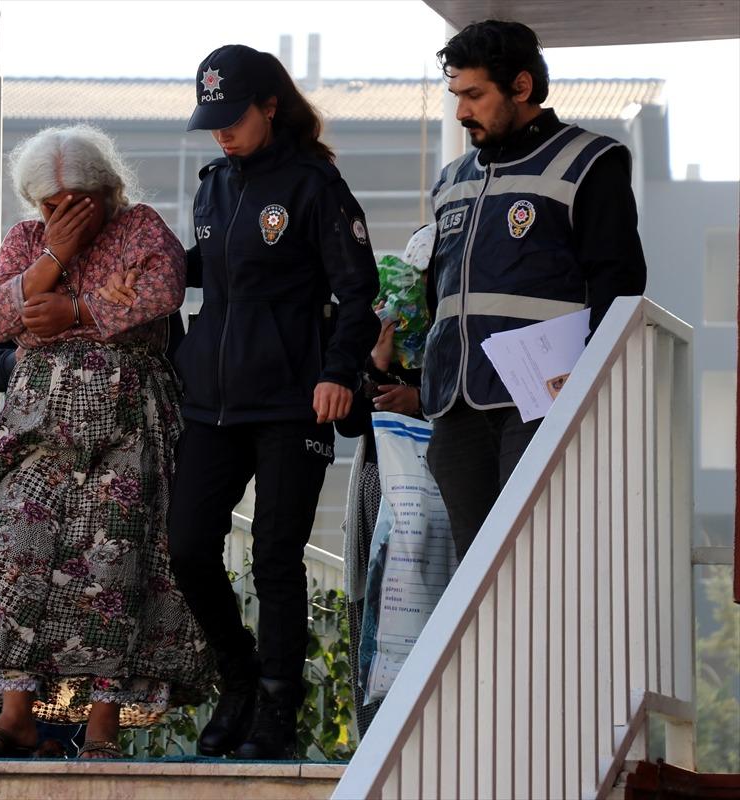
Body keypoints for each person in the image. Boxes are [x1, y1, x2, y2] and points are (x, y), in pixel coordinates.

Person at [0, 125, 212, 760]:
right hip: (40, 425)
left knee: (114, 565)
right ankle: (15, 716)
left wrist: (74, 312)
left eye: (81, 202)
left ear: (110, 190)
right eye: (51, 206)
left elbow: (161, 289)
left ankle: (100, 729)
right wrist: (53, 259)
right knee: (18, 553)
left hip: (128, 422)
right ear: (33, 203)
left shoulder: (142, 226)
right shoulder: (25, 240)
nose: (65, 214)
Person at [158, 44, 380, 760]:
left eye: (233, 117)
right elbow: (202, 270)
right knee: (186, 547)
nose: (221, 131)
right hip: (210, 403)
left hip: (293, 401)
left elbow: (358, 292)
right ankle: (240, 681)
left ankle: (279, 713)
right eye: (212, 119)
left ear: (270, 107)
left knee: (275, 560)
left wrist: (339, 371)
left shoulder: (315, 185)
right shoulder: (212, 185)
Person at [422, 20, 647, 560]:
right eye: (457, 96)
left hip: (542, 400)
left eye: (475, 95)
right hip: (455, 405)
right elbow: (441, 297)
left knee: (537, 560)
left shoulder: (590, 161)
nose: (461, 112)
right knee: (473, 573)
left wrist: (587, 384)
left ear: (521, 88)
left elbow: (620, 284)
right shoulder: (451, 179)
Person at [336, 224, 435, 737]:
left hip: (440, 498)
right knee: (375, 604)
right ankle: (376, 740)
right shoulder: (384, 326)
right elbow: (349, 420)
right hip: (382, 486)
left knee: (436, 606)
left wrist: (421, 401)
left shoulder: (463, 332)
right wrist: (377, 363)